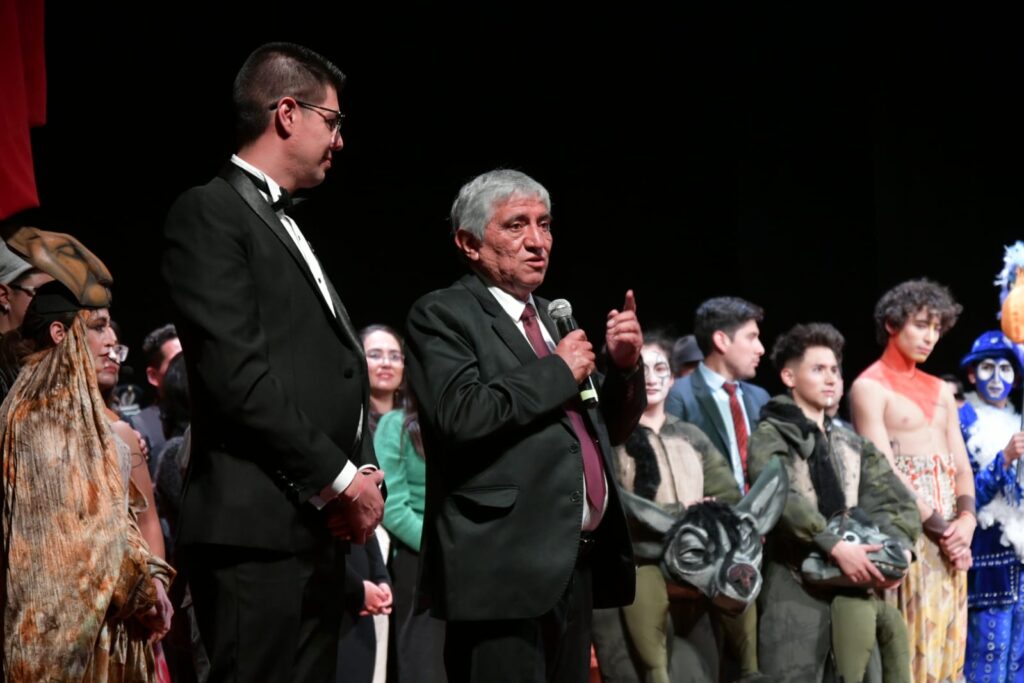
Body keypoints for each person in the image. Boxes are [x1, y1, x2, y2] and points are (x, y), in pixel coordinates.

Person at [161, 42, 383, 682]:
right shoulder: (208, 211)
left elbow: (334, 368)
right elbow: (237, 378)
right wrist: (342, 481)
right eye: (333, 120)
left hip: (314, 530)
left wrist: (362, 470)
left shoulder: (285, 221)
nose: (340, 140)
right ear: (288, 113)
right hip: (253, 533)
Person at [405, 169, 644, 683]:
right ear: (469, 243)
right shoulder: (443, 314)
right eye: (517, 225)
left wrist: (624, 369)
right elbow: (459, 415)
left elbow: (606, 431)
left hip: (573, 565)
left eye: (545, 224)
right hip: (502, 572)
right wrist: (557, 371)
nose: (538, 241)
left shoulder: (553, 318)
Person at [1, 231, 173, 681]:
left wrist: (153, 581)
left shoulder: (97, 426)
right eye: (97, 326)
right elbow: (82, 543)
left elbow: (129, 522)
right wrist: (144, 592)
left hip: (113, 635)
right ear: (61, 332)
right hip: (65, 649)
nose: (111, 339)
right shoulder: (37, 422)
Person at [749, 323, 917, 683]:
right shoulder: (770, 434)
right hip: (794, 583)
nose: (830, 379)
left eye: (835, 370)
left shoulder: (849, 440)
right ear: (789, 377)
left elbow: (891, 498)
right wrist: (833, 544)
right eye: (818, 369)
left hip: (854, 582)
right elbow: (780, 493)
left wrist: (898, 548)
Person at [595, 333, 740, 683]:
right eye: (640, 368)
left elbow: (728, 496)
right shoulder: (610, 437)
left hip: (693, 575)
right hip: (634, 573)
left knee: (700, 672)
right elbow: (615, 504)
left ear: (673, 378)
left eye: (660, 368)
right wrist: (686, 511)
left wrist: (709, 514)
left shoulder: (691, 435)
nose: (650, 377)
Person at [850, 278, 975, 683]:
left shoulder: (940, 389)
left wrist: (966, 522)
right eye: (921, 325)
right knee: (912, 645)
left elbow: (961, 466)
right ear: (892, 324)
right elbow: (884, 470)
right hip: (909, 531)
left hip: (951, 536)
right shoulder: (869, 387)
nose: (930, 337)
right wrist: (941, 529)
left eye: (937, 328)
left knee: (948, 648)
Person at [363, 324, 446, 682]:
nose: (386, 363)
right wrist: (438, 545)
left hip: (451, 556)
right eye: (375, 354)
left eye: (394, 356)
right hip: (415, 556)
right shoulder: (392, 426)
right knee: (423, 662)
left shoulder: (432, 421)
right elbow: (393, 506)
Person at [957, 331, 1024, 681]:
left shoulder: (1018, 421)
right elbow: (966, 496)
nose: (997, 378)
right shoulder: (963, 422)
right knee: (987, 659)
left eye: (1006, 369)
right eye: (987, 368)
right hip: (987, 563)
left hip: (1021, 562)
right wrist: (1005, 459)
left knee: (1019, 664)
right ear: (972, 374)